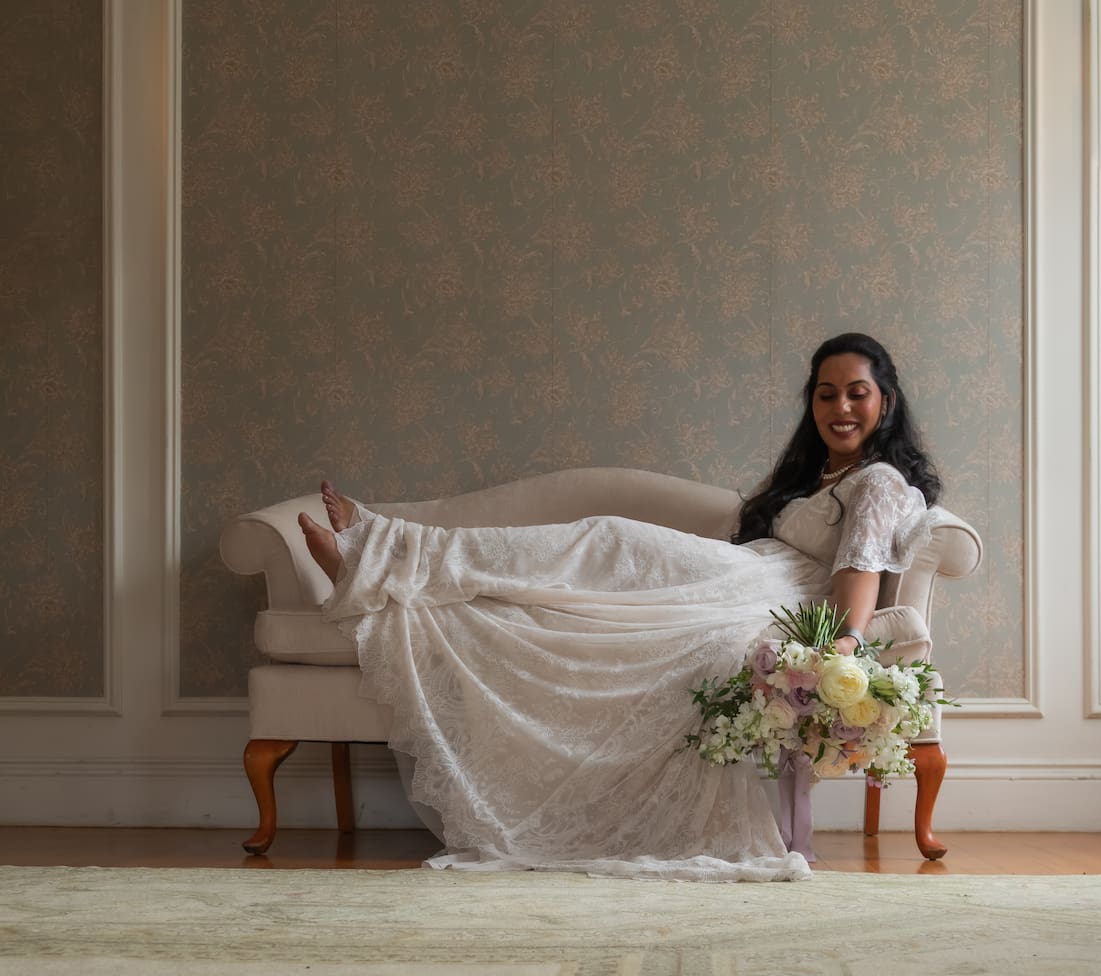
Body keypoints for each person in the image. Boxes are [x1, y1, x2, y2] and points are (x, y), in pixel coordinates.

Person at [297, 331, 942, 881]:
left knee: (604, 538)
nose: (841, 407)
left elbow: (858, 571)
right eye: (826, 394)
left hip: (767, 595)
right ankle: (385, 567)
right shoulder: (817, 480)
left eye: (857, 391)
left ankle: (386, 553)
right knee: (555, 595)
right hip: (742, 576)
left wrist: (844, 646)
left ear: (885, 399)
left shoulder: (880, 482)